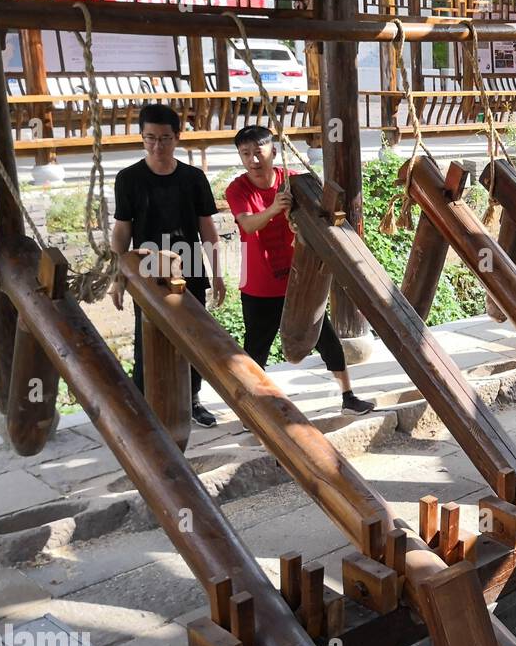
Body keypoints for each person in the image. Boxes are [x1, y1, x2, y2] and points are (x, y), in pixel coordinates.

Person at [223, 125, 375, 416]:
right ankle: (251, 411)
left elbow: (319, 218)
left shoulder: (293, 181)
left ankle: (349, 397)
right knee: (256, 351)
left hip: (301, 281)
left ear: (273, 152)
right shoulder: (237, 189)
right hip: (259, 285)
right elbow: (248, 225)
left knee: (327, 339)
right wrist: (273, 209)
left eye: (259, 152)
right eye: (246, 154)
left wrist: (298, 219)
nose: (253, 160)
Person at [111, 103, 225, 428]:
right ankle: (143, 409)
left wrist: (217, 273)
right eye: (150, 138)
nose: (157, 146)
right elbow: (122, 229)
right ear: (142, 137)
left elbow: (207, 227)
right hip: (146, 270)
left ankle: (191, 401)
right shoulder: (129, 178)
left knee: (193, 340)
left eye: (164, 138)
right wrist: (118, 275)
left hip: (189, 266)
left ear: (177, 137)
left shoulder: (193, 178)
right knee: (145, 342)